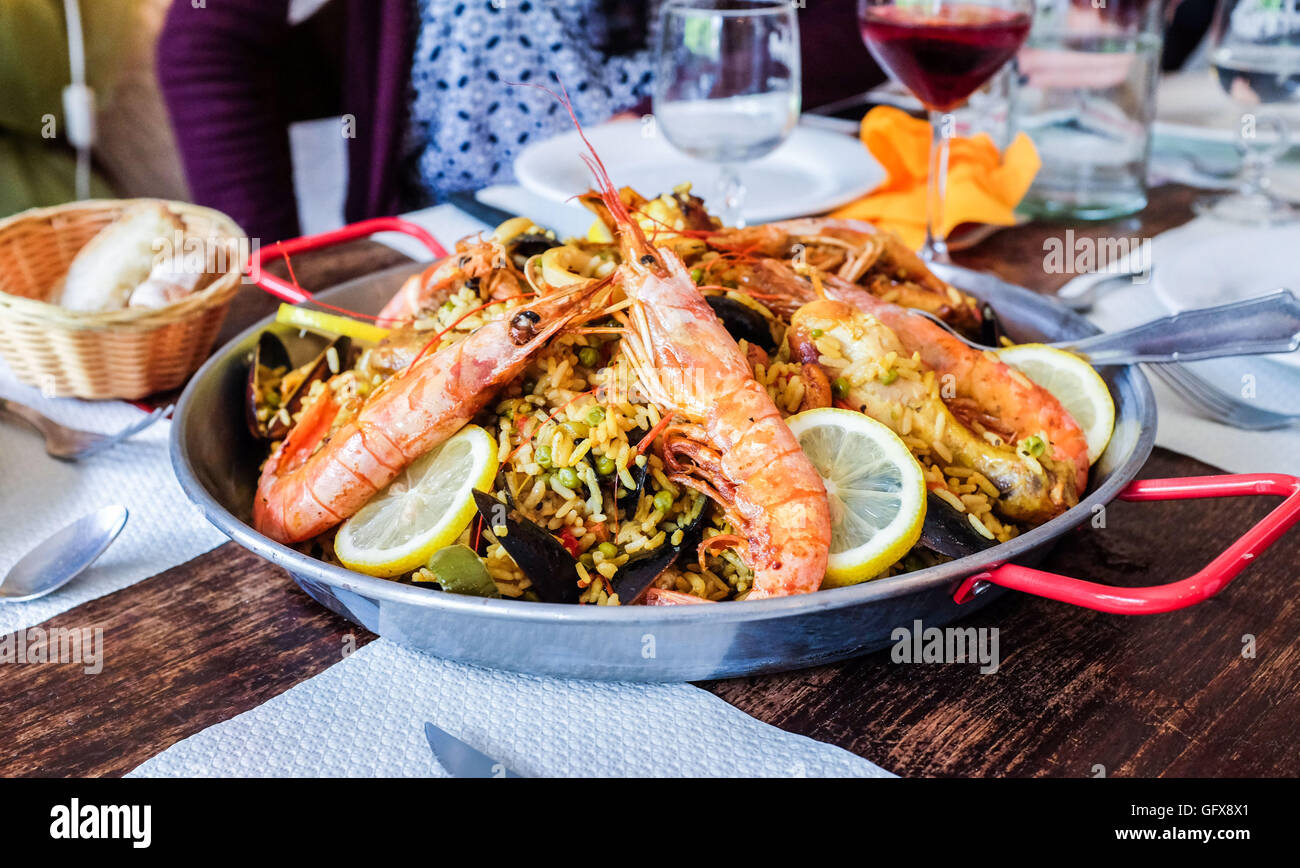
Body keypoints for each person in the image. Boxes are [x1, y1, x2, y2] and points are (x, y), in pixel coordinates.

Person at [157, 0, 882, 243]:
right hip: (453, 227)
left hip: (721, 207)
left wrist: (696, 97)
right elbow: (208, 41)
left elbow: (867, 19)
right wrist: (262, 262)